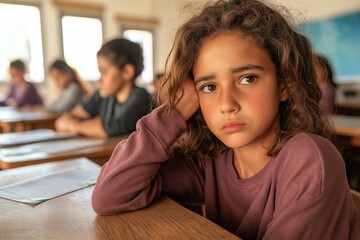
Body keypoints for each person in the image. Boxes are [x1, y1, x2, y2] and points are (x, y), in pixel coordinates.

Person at [91, 0, 357, 239]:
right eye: (209, 87)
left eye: (247, 78)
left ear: (283, 84)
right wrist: (172, 112)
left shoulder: (309, 159)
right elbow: (109, 196)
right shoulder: (209, 161)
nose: (227, 104)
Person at [55, 38, 150, 138]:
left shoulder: (141, 98)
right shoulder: (104, 95)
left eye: (104, 72)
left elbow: (110, 130)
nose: (99, 80)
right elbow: (67, 118)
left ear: (127, 72)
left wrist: (75, 126)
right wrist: (91, 125)